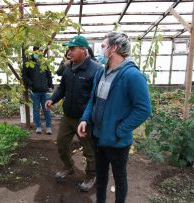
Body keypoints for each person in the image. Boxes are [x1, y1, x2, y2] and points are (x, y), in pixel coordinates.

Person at [77, 31, 151, 203]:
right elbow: (93, 100)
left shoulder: (132, 75)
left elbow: (143, 109)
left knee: (119, 179)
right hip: (98, 136)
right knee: (101, 178)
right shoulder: (102, 73)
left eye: (103, 46)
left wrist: (120, 129)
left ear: (114, 48)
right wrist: (84, 119)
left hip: (117, 141)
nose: (100, 51)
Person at [45, 35, 102, 192]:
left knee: (89, 150)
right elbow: (63, 88)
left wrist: (89, 118)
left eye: (72, 49)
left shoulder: (96, 70)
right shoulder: (69, 68)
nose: (69, 52)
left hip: (84, 119)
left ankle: (91, 175)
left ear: (83, 50)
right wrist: (53, 99)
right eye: (68, 49)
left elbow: (96, 97)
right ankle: (69, 167)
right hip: (68, 116)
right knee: (62, 144)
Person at [22, 46, 53, 135]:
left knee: (46, 108)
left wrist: (50, 86)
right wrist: (30, 84)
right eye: (37, 51)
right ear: (34, 51)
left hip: (45, 90)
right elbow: (24, 75)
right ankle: (38, 127)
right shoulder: (28, 62)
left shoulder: (44, 62)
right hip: (34, 91)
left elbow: (49, 75)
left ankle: (48, 127)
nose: (39, 53)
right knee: (36, 109)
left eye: (40, 51)